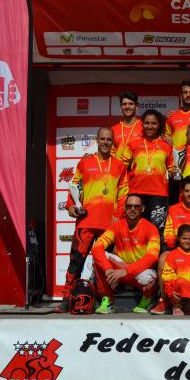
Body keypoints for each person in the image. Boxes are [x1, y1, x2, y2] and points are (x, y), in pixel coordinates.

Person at [60, 127, 128, 311]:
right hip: (86, 222)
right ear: (97, 140)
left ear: (112, 142)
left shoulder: (119, 165)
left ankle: (105, 299)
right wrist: (71, 206)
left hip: (109, 225)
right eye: (102, 139)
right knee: (76, 262)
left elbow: (123, 194)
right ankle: (67, 298)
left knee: (103, 265)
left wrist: (118, 217)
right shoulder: (85, 163)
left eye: (109, 140)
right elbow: (74, 187)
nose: (105, 142)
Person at [150, 176, 190, 315]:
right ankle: (164, 301)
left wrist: (189, 247)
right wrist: (180, 246)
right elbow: (168, 233)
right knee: (163, 259)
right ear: (182, 192)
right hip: (176, 246)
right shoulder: (173, 209)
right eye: (187, 191)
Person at [91, 194, 161, 314]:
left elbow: (152, 257)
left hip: (138, 271)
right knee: (99, 258)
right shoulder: (116, 226)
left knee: (149, 277)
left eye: (136, 206)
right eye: (129, 206)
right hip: (120, 269)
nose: (132, 209)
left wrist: (127, 271)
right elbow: (97, 247)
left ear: (142, 209)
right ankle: (108, 300)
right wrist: (108, 269)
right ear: (124, 208)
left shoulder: (150, 228)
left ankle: (147, 299)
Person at [124, 109, 176, 232]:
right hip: (137, 193)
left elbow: (172, 168)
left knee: (156, 231)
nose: (150, 126)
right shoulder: (133, 144)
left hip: (159, 194)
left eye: (153, 123)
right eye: (147, 123)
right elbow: (121, 167)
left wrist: (175, 172)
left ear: (159, 125)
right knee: (136, 230)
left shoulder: (166, 145)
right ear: (142, 124)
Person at [161, 224, 190, 315]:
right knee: (181, 282)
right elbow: (167, 277)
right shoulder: (172, 255)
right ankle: (177, 306)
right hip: (177, 291)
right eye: (184, 238)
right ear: (178, 238)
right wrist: (171, 291)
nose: (187, 241)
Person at [111, 90, 142, 165]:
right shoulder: (113, 129)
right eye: (124, 104)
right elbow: (108, 154)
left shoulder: (144, 127)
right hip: (119, 170)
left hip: (138, 171)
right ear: (121, 107)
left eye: (131, 104)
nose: (127, 107)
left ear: (136, 106)